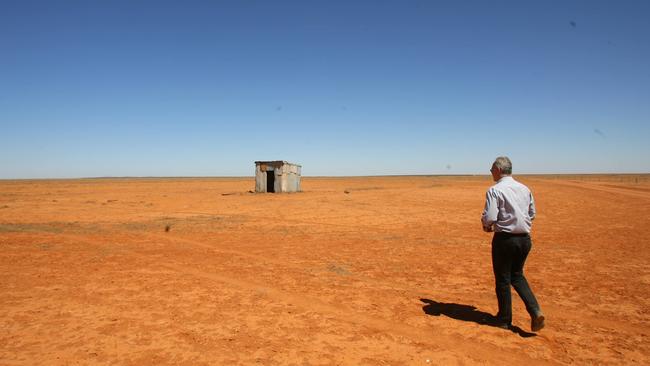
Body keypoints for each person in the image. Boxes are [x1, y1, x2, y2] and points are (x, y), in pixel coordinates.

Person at [481, 156, 545, 332]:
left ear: (499, 170)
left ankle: (504, 318)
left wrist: (486, 225)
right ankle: (535, 310)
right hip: (525, 239)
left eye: (492, 168)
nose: (490, 171)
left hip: (505, 240)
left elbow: (491, 217)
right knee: (517, 275)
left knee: (503, 279)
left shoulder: (495, 190)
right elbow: (532, 213)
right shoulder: (524, 188)